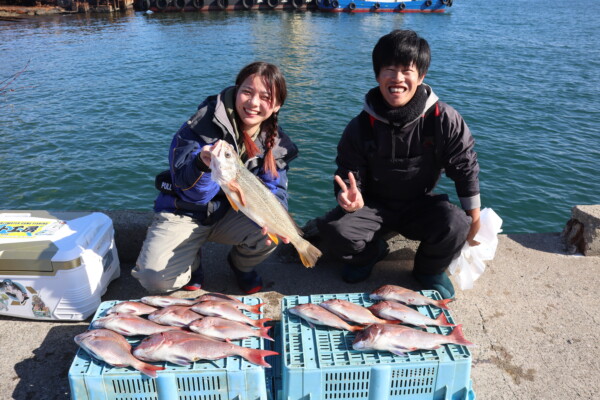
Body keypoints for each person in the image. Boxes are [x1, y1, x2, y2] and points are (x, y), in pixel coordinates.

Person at [313, 30, 481, 299]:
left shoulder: (443, 118)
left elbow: (465, 167)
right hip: (373, 206)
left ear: (421, 76)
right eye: (389, 69)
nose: (397, 79)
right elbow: (347, 173)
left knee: (457, 223)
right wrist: (348, 200)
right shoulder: (359, 126)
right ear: (377, 75)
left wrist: (474, 218)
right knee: (334, 231)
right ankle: (370, 254)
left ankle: (428, 270)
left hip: (420, 203)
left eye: (407, 70)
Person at [132, 61, 298, 295]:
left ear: (277, 105)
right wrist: (202, 164)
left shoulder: (278, 144)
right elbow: (193, 194)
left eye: (265, 97)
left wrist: (273, 217)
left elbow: (275, 190)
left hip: (232, 213)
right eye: (247, 92)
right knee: (154, 279)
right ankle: (193, 264)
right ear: (236, 91)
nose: (253, 103)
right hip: (186, 211)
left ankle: (241, 266)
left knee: (273, 235)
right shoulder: (200, 125)